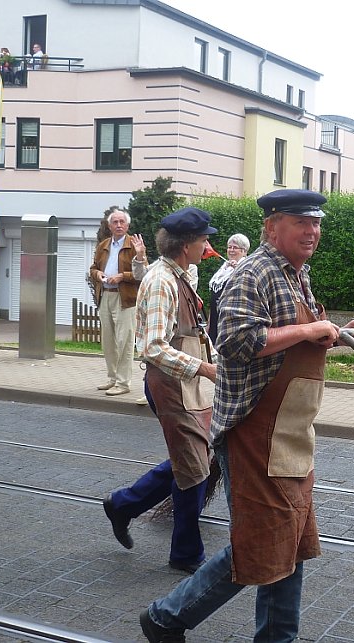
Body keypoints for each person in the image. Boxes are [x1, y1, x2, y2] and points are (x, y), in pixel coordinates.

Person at [139, 189, 354, 643]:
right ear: (272, 227)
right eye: (300, 222)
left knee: (288, 544)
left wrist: (344, 334)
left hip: (291, 434)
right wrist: (312, 328)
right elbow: (236, 340)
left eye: (315, 223)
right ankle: (167, 617)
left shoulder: (296, 274)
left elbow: (294, 339)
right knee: (261, 546)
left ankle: (273, 638)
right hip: (255, 431)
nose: (312, 231)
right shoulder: (254, 273)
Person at [102, 207, 218, 574]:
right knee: (195, 468)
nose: (208, 245)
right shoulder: (162, 281)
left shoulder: (178, 274)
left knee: (192, 462)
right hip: (171, 386)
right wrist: (204, 367)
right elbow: (152, 347)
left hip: (186, 385)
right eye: (203, 239)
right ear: (186, 245)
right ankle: (185, 554)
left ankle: (124, 504)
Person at [89, 209, 144, 396]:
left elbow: (142, 274)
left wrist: (122, 276)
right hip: (105, 295)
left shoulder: (134, 245)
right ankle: (112, 378)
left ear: (127, 226)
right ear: (109, 225)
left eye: (122, 222)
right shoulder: (103, 245)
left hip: (125, 299)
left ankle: (123, 382)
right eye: (115, 222)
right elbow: (93, 268)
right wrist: (98, 274)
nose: (119, 225)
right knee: (108, 341)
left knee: (125, 341)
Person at [207, 233, 250, 344]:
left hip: (230, 322)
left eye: (235, 248)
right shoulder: (223, 269)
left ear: (244, 251)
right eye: (229, 247)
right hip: (215, 319)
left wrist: (238, 269)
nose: (231, 250)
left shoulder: (246, 268)